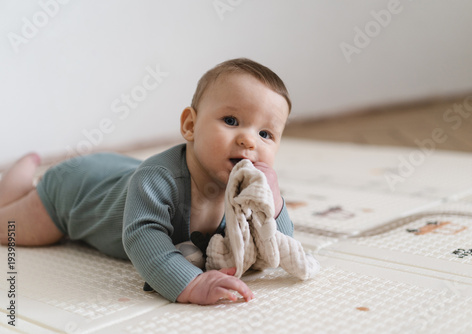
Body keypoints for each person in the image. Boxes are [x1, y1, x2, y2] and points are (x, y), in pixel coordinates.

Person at [0, 58, 293, 305]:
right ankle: (20, 179)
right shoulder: (157, 178)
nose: (248, 140)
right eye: (231, 120)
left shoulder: (246, 187)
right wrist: (190, 284)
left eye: (266, 134)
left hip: (120, 169)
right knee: (9, 228)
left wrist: (275, 200)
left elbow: (279, 245)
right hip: (75, 190)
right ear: (190, 126)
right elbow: (142, 236)